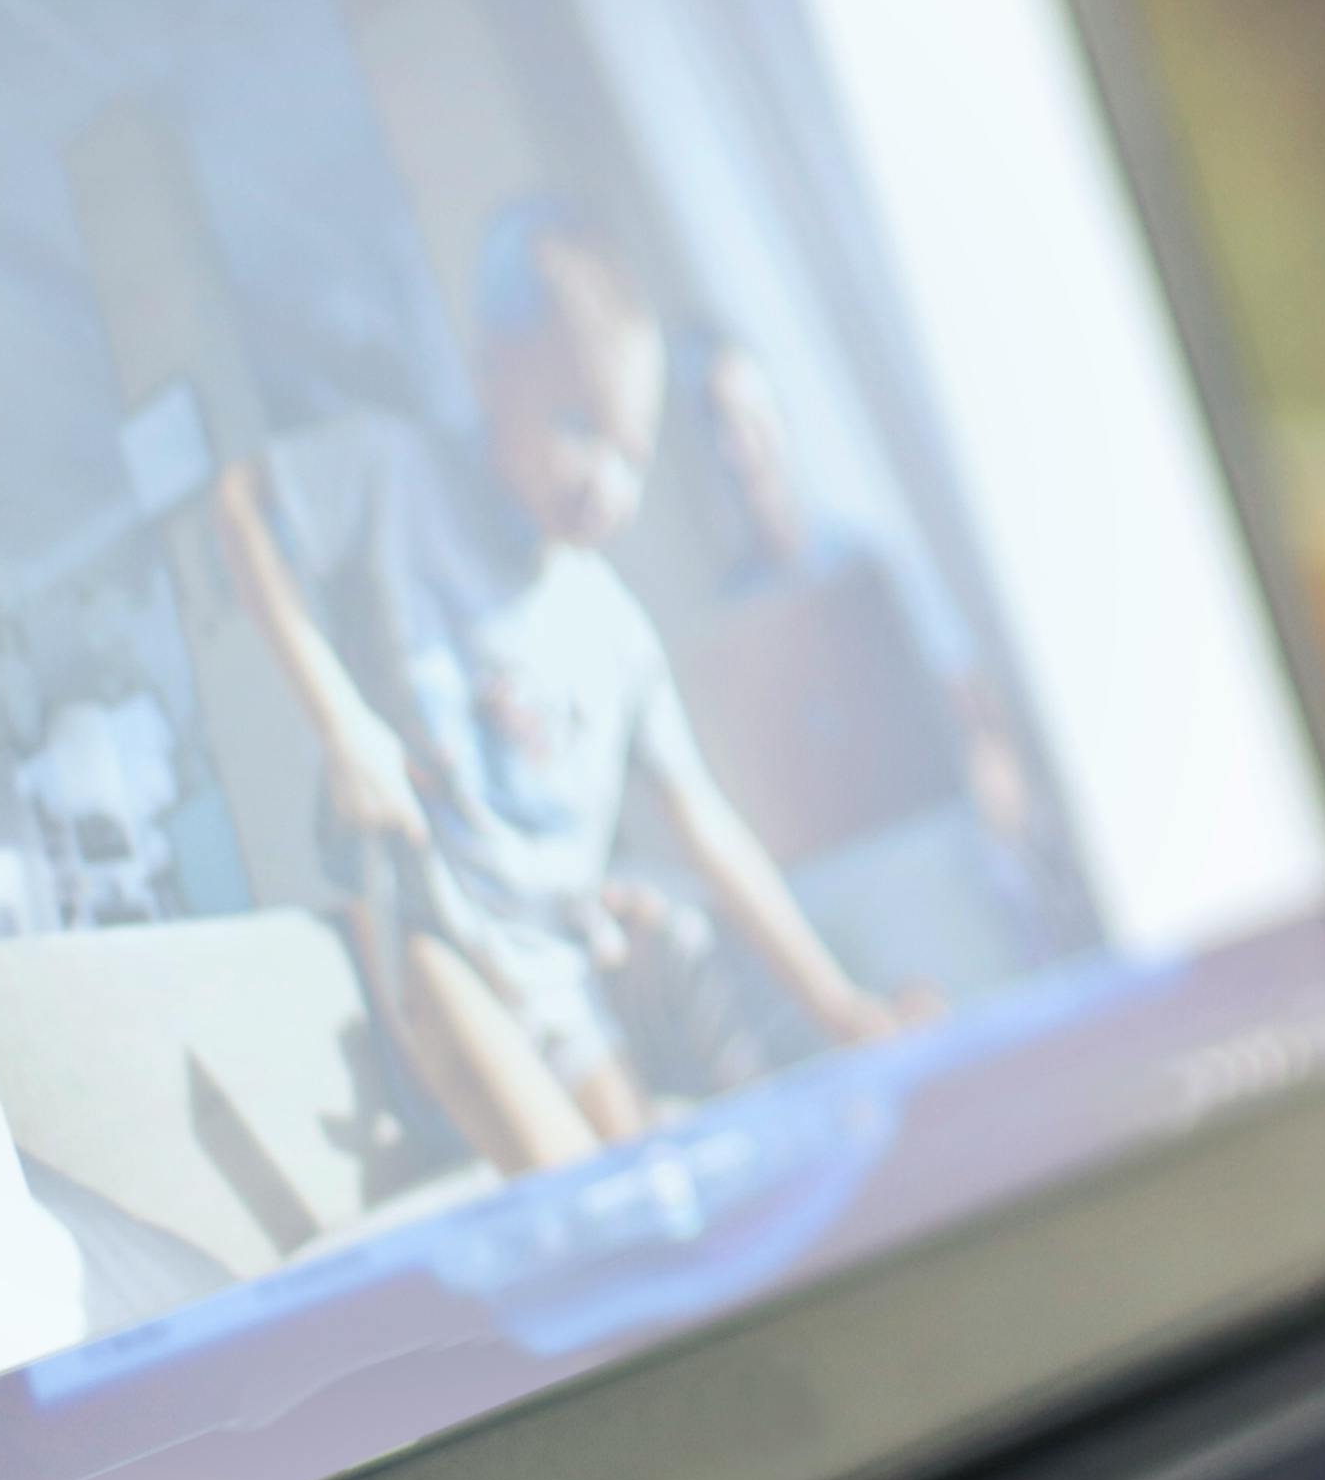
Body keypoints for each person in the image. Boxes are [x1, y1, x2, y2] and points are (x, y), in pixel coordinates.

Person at [212, 200, 927, 1178]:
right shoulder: (395, 477)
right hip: (434, 935)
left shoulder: (616, 631)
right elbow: (243, 504)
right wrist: (343, 727)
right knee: (577, 1198)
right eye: (573, 424)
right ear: (488, 375)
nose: (604, 478)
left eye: (630, 453)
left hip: (562, 977)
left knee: (659, 1193)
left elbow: (705, 825)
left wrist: (840, 1007)